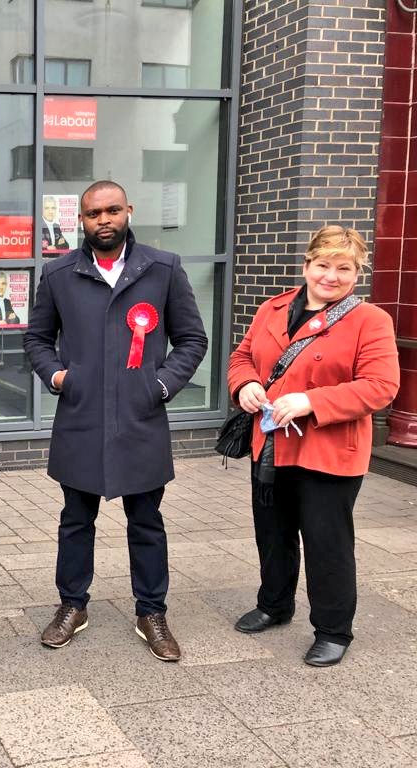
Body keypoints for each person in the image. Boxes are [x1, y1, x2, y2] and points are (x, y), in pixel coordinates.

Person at [24, 180, 207, 661]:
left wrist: (160, 385)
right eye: (91, 214)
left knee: (146, 521)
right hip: (81, 417)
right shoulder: (59, 273)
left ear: (128, 210)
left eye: (111, 210)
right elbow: (36, 340)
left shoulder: (163, 268)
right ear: (80, 221)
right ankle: (72, 605)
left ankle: (151, 611)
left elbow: (191, 339)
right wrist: (59, 377)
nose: (102, 220)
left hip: (140, 418)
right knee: (74, 521)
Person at [227, 225, 399, 667]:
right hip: (271, 445)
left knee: (327, 543)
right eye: (323, 265)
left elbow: (381, 387)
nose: (331, 276)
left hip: (329, 451)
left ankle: (333, 629)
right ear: (306, 266)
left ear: (357, 273)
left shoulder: (370, 320)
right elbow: (242, 356)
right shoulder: (274, 307)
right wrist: (244, 384)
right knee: (273, 533)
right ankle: (275, 605)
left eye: (345, 268)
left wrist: (310, 400)